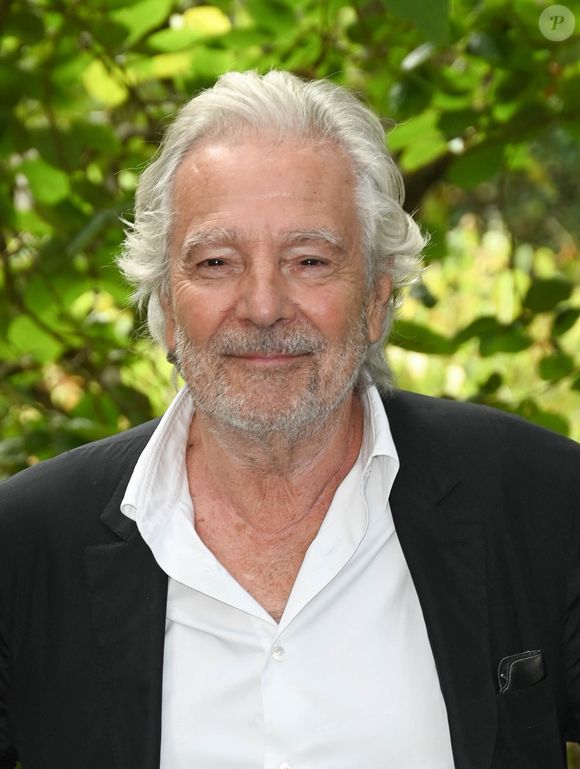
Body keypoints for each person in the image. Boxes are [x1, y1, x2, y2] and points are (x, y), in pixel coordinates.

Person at [0, 70, 579, 769]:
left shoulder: (540, 498)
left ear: (375, 300)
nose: (265, 304)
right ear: (168, 310)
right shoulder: (25, 546)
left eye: (309, 260)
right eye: (217, 262)